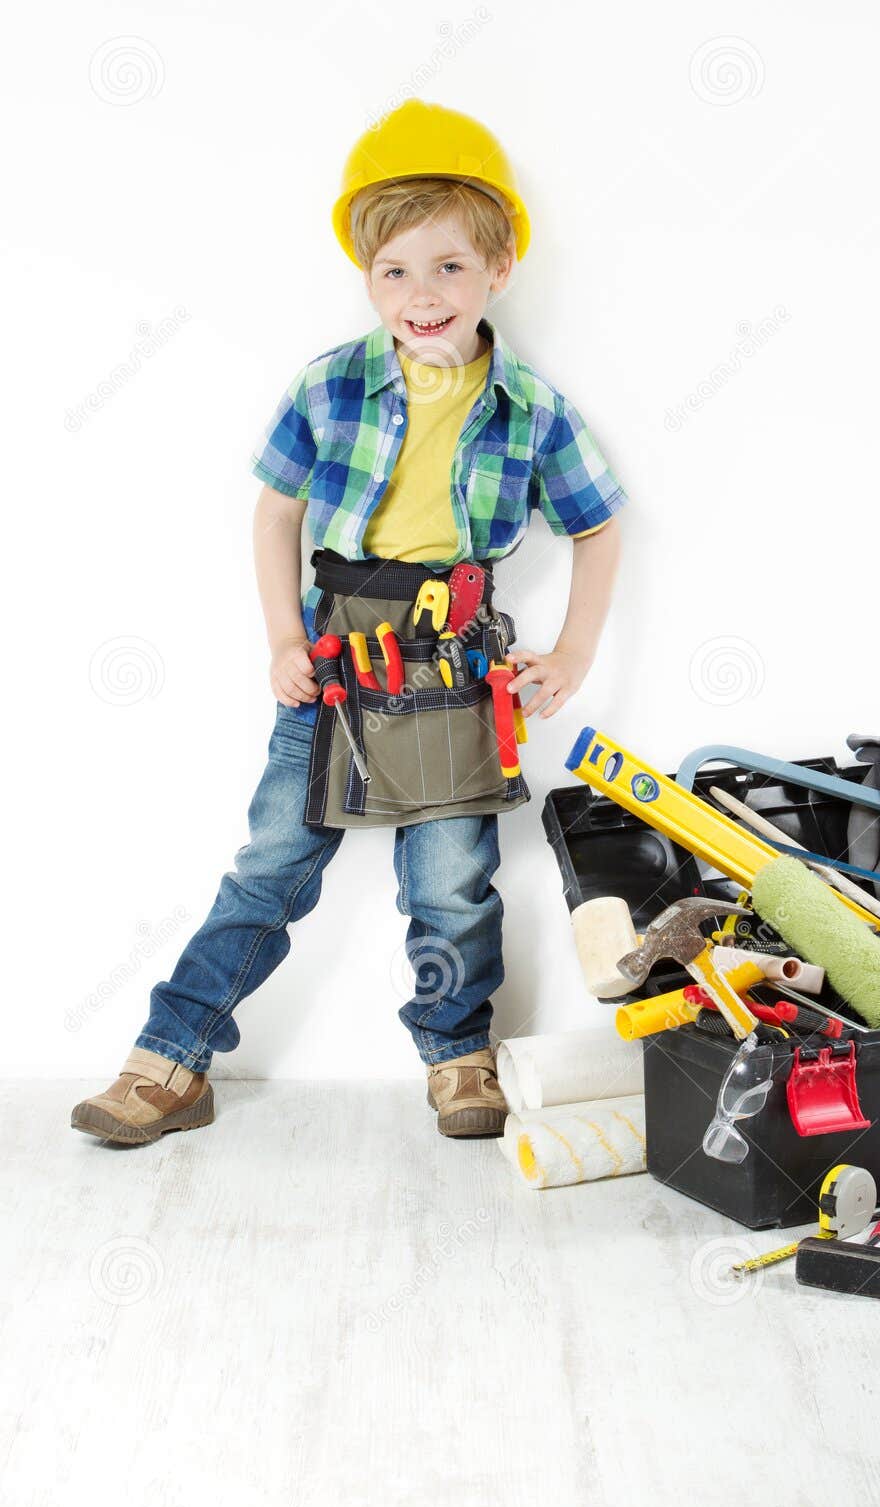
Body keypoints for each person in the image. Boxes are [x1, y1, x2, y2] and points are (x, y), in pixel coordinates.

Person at [71, 100, 627, 1147]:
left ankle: (457, 1055)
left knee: (453, 882)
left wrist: (575, 649)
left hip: (453, 671)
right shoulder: (330, 385)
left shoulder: (532, 409)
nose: (423, 294)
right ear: (367, 277)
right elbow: (274, 512)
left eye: (450, 266)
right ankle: (170, 1059)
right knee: (271, 866)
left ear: (499, 268)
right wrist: (282, 640)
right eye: (395, 270)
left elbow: (598, 525)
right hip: (332, 663)